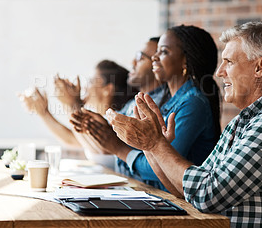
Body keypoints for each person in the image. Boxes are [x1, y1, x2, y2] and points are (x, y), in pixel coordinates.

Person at [106, 21, 262, 226]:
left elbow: (207, 194)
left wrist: (155, 145)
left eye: (229, 62)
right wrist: (150, 146)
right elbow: (184, 191)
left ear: (260, 67)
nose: (219, 72)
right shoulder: (244, 121)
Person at [71, 25, 222, 192]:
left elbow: (163, 166)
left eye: (163, 52)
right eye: (156, 52)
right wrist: (106, 128)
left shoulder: (193, 103)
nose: (154, 58)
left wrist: (118, 148)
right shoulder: (171, 100)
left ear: (185, 60)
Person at [18, 60, 135, 158]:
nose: (85, 87)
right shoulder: (104, 118)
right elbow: (73, 140)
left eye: (90, 82)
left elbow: (99, 148)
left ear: (107, 89)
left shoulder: (119, 122)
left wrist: (72, 103)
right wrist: (44, 112)